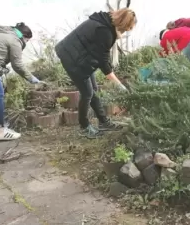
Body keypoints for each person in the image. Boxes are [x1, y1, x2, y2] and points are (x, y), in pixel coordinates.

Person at [55, 9, 136, 139]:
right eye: (126, 29)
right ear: (122, 25)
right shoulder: (105, 32)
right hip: (72, 58)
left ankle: (103, 122)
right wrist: (120, 86)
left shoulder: (105, 20)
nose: (125, 32)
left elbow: (98, 53)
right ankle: (84, 126)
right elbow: (104, 64)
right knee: (87, 93)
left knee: (94, 90)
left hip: (79, 55)